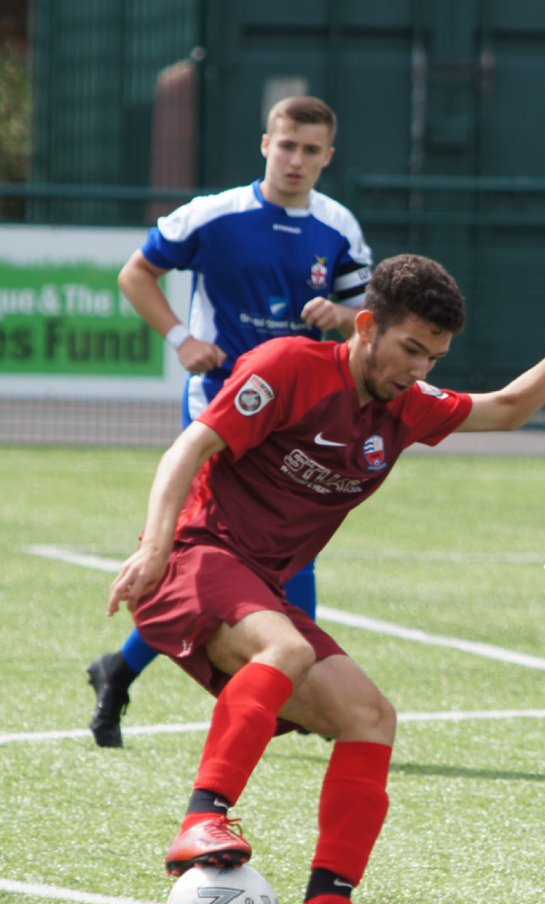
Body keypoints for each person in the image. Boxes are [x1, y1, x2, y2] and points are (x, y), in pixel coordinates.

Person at [106, 253, 545, 904]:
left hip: (255, 586)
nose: (420, 369)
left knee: (370, 717)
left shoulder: (406, 408)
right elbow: (190, 446)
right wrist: (152, 547)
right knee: (288, 649)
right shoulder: (287, 366)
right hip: (193, 557)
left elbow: (512, 408)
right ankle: (202, 820)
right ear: (367, 327)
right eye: (410, 349)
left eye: (435, 355)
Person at [87, 95, 372, 748]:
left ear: (329, 157)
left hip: (299, 419)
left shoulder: (339, 228)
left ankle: (121, 669)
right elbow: (137, 274)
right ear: (264, 144)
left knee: (279, 553)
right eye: (286, 144)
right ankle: (288, 693)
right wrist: (182, 338)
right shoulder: (214, 215)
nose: (296, 159)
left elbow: (370, 315)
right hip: (224, 411)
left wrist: (346, 318)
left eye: (311, 150)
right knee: (232, 561)